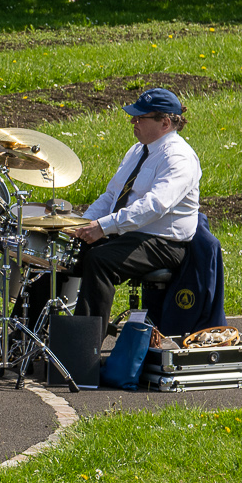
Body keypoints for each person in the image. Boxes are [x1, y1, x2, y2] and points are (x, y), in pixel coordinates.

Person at [63, 88, 200, 327]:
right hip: (131, 232)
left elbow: (155, 205)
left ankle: (84, 349)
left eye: (140, 117)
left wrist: (104, 228)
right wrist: (84, 225)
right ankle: (32, 336)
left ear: (165, 122)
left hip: (163, 242)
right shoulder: (138, 150)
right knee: (61, 253)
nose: (132, 122)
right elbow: (111, 196)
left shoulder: (179, 158)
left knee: (99, 260)